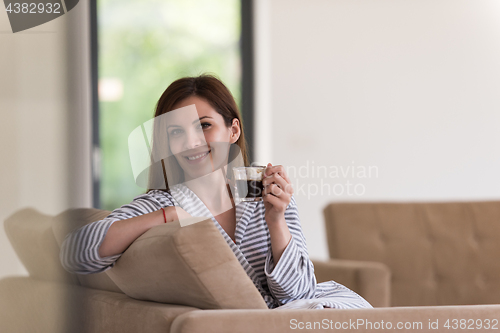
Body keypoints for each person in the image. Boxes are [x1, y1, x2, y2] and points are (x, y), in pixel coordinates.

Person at [60, 74, 372, 310]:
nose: (191, 142)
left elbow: (300, 293)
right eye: (176, 132)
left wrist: (277, 220)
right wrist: (168, 216)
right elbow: (74, 253)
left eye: (204, 126)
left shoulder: (263, 190)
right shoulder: (162, 203)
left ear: (233, 131)